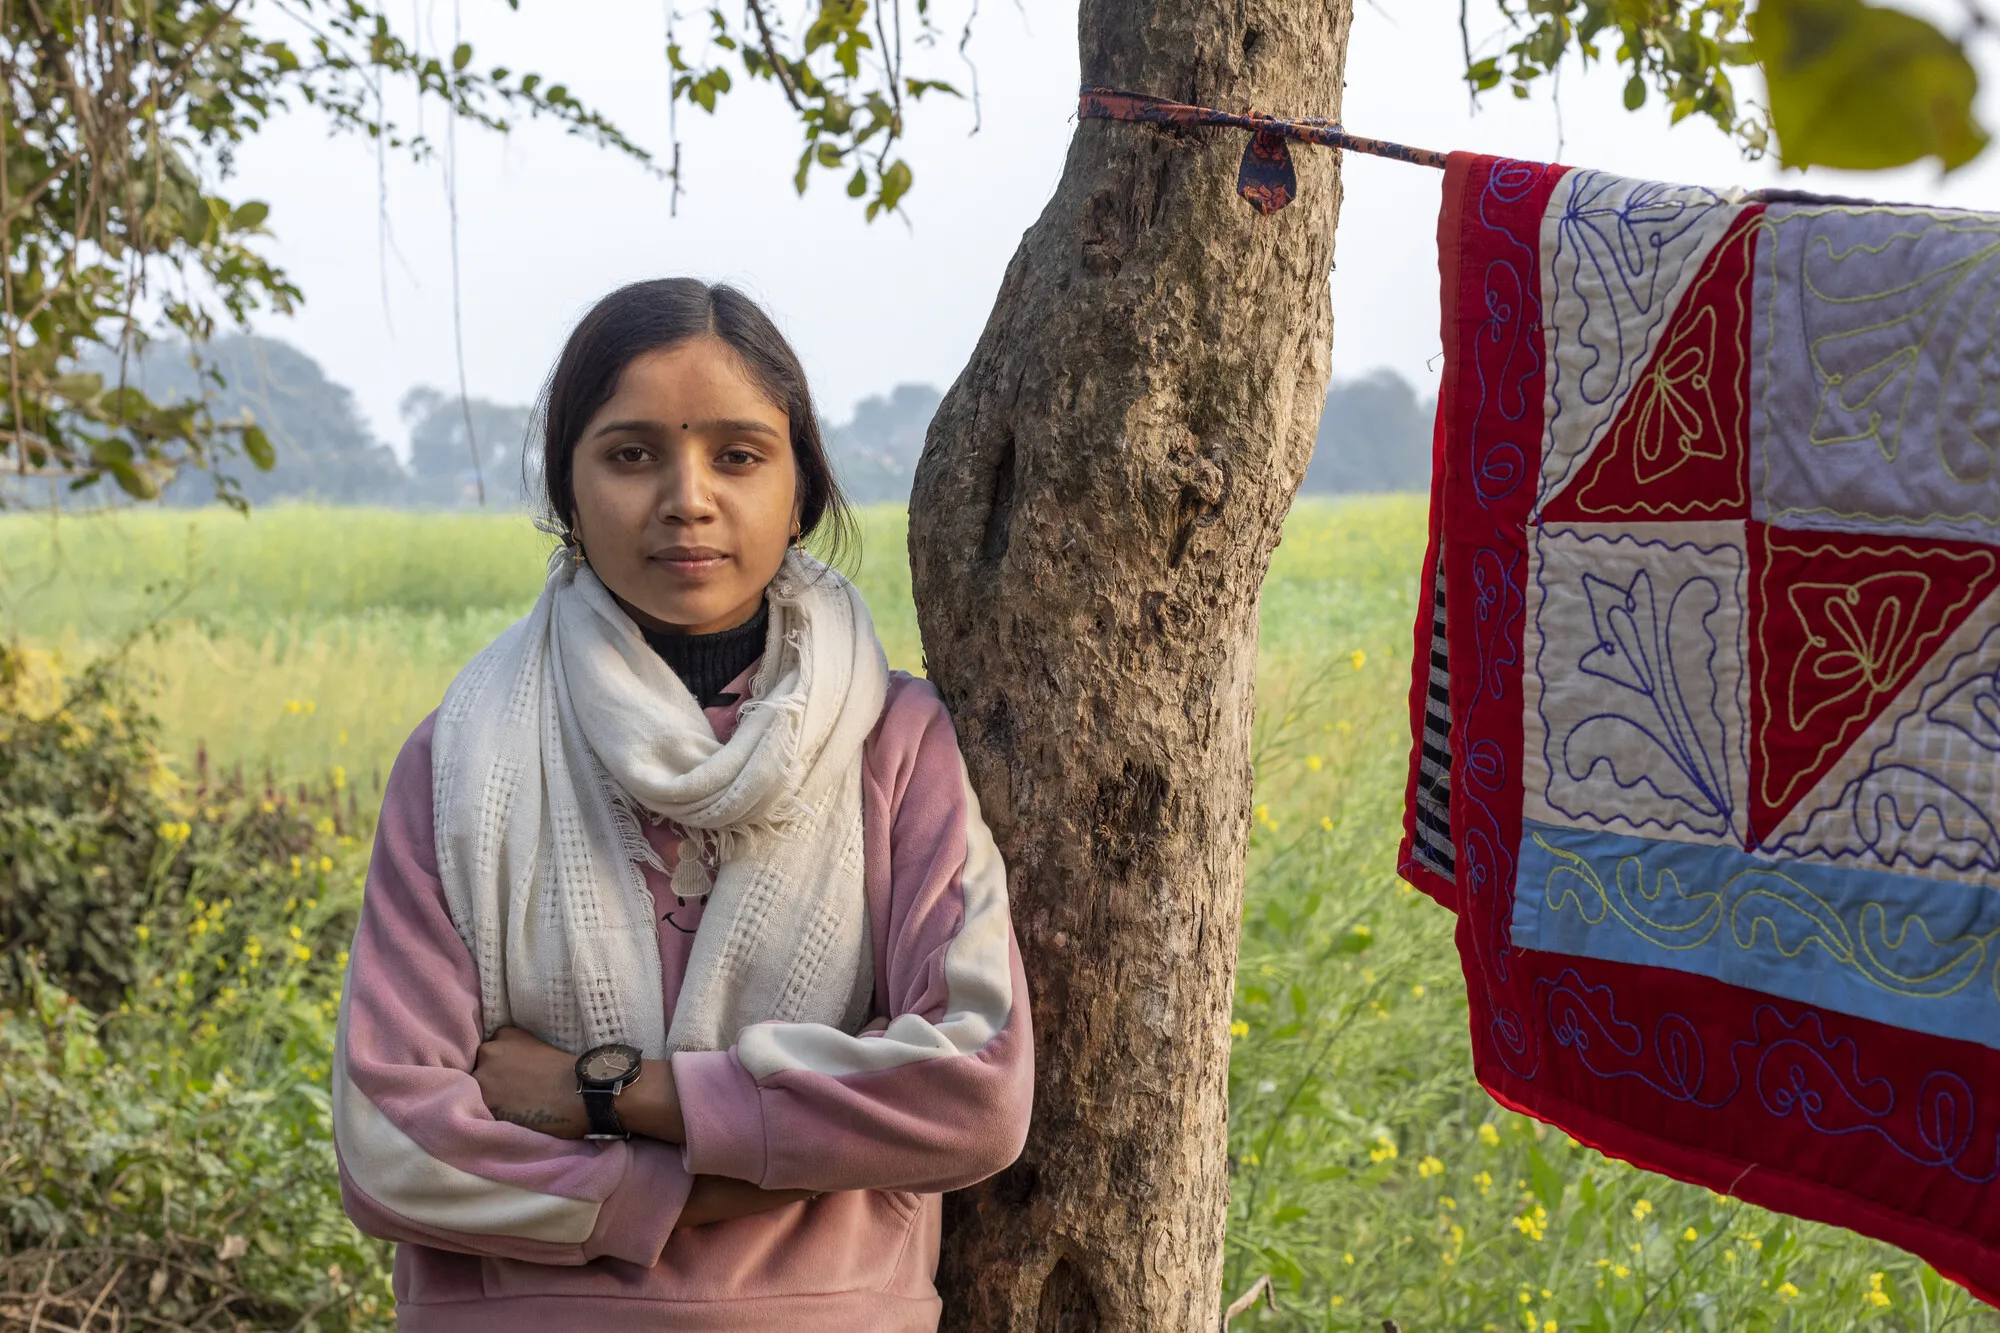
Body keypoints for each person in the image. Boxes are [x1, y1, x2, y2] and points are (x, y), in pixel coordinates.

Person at [332, 279, 1034, 1331]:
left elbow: (973, 1089)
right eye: (630, 455)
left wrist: (602, 1091)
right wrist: (729, 1175)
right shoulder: (461, 758)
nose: (687, 498)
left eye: (738, 455)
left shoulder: (891, 743)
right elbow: (393, 1144)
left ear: (799, 490)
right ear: (566, 492)